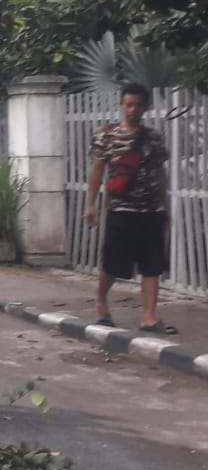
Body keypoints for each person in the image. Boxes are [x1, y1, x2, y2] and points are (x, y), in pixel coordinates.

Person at [85, 83, 175, 334]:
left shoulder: (154, 138)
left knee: (152, 264)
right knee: (113, 264)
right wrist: (90, 205)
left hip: (151, 210)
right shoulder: (106, 135)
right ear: (121, 106)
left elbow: (160, 174)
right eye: (128, 104)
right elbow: (97, 170)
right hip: (120, 208)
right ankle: (102, 302)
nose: (133, 110)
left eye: (138, 105)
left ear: (146, 107)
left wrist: (166, 208)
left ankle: (149, 316)